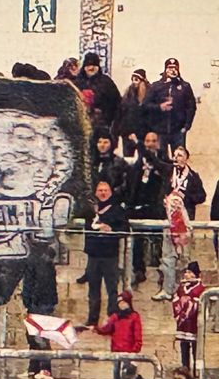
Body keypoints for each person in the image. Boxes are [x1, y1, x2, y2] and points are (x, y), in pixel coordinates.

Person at [155, 145, 206, 301]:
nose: (177, 158)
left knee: (184, 257)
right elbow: (160, 190)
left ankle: (183, 290)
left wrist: (186, 196)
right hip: (169, 221)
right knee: (167, 256)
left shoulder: (193, 177)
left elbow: (202, 196)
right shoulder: (168, 173)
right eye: (175, 155)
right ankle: (167, 289)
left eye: (180, 155)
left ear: (187, 158)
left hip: (185, 222)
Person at [126, 131, 169, 287]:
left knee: (158, 241)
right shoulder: (138, 163)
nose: (150, 144)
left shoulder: (164, 161)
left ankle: (161, 271)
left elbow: (164, 170)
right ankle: (138, 270)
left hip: (156, 208)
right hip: (138, 207)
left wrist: (139, 145)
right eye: (147, 141)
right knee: (137, 240)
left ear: (158, 143)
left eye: (153, 141)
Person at [82, 181, 127, 329]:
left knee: (112, 289)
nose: (103, 193)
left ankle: (112, 319)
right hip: (94, 255)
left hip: (110, 255)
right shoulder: (90, 209)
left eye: (105, 190)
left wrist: (111, 229)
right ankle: (92, 320)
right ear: (96, 192)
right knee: (93, 289)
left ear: (110, 192)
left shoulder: (117, 210)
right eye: (100, 190)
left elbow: (125, 229)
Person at [21, 225, 59, 379]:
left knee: (40, 336)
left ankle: (45, 369)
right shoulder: (40, 257)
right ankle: (33, 368)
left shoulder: (39, 258)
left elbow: (39, 284)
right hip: (39, 302)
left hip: (40, 303)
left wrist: (31, 302)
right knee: (32, 335)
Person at [142, 56, 196, 155]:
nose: (172, 70)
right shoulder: (156, 86)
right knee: (161, 158)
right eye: (170, 67)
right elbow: (145, 105)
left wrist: (186, 126)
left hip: (178, 130)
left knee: (179, 156)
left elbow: (191, 107)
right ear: (165, 69)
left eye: (175, 68)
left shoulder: (185, 86)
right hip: (160, 130)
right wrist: (159, 107)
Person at [93, 290, 142, 379]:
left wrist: (135, 349)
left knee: (127, 374)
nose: (121, 305)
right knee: (116, 372)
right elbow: (106, 329)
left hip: (128, 351)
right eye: (119, 303)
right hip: (116, 350)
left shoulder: (134, 317)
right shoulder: (115, 317)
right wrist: (96, 329)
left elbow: (137, 334)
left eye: (123, 302)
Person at [74, 53, 121, 132]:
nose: (91, 68)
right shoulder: (77, 82)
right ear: (84, 67)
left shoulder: (106, 82)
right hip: (81, 126)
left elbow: (116, 103)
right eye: (88, 65)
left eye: (94, 65)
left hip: (103, 125)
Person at [172, 261, 206, 373]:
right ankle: (185, 370)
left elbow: (199, 304)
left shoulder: (200, 288)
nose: (187, 274)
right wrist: (179, 313)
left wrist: (188, 306)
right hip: (183, 324)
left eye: (189, 272)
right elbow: (176, 300)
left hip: (194, 324)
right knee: (184, 347)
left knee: (196, 349)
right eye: (186, 272)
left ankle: (197, 372)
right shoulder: (182, 288)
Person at [119, 69, 149, 158]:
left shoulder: (149, 94)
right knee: (128, 159)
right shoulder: (128, 95)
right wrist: (126, 132)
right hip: (128, 134)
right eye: (132, 79)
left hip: (143, 134)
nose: (134, 82)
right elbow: (123, 115)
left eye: (136, 80)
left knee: (145, 158)